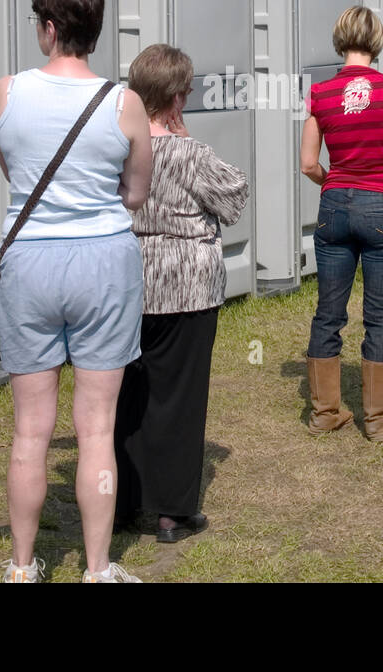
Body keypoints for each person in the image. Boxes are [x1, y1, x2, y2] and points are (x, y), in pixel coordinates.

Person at [0, 0, 153, 584]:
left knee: (31, 429)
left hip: (29, 260)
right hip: (103, 262)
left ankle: (23, 565)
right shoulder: (123, 102)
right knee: (97, 429)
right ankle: (97, 568)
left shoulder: (6, 93)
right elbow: (136, 193)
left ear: (51, 28)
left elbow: (14, 173)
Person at [114, 44, 248, 544]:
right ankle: (172, 511)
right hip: (188, 283)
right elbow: (234, 199)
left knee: (126, 394)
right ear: (175, 97)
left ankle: (122, 500)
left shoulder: (117, 146)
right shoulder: (190, 153)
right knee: (180, 396)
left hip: (128, 279)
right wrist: (186, 138)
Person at [300, 6, 383, 441]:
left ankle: (324, 413)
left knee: (328, 312)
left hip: (333, 206)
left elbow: (307, 163)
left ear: (340, 39)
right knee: (379, 315)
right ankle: (377, 418)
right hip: (381, 207)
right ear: (377, 41)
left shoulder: (322, 93)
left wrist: (331, 180)